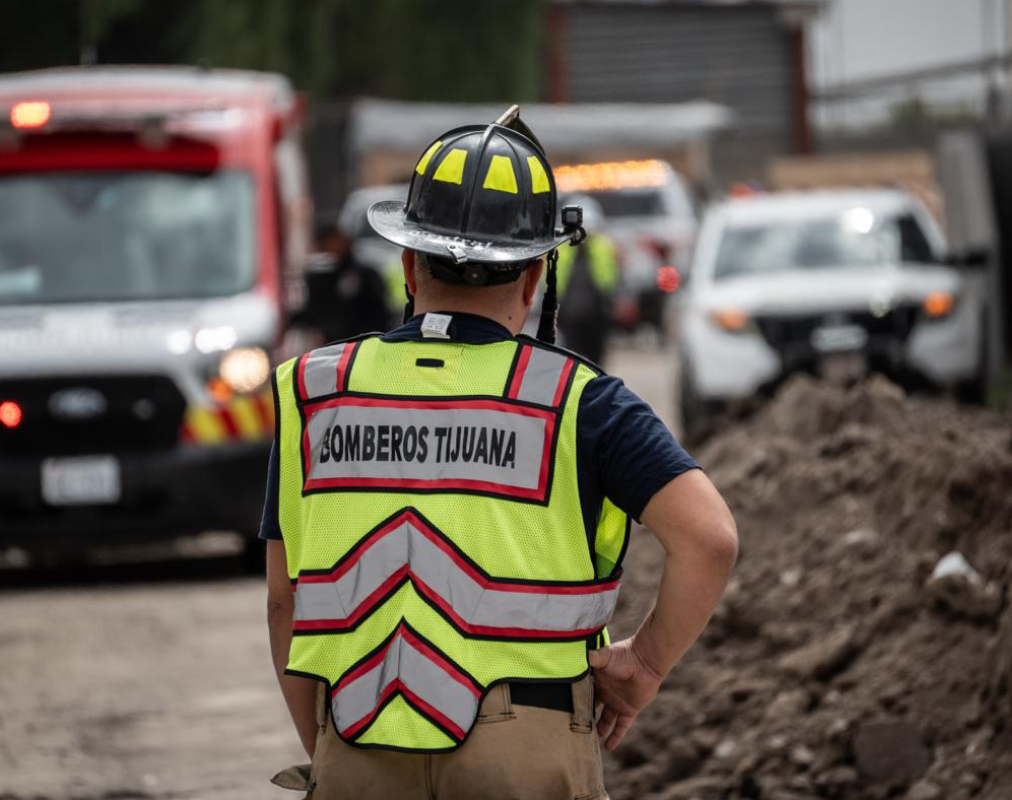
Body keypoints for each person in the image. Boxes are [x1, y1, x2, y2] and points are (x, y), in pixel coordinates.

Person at [261, 107, 737, 799]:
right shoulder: (586, 403)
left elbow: (285, 603)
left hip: (360, 734)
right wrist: (645, 667)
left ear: (406, 264)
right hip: (529, 752)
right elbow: (710, 539)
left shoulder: (314, 392)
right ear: (534, 277)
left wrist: (329, 748)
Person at [291, 222, 391, 343]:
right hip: (336, 345)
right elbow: (317, 311)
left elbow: (377, 311)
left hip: (365, 342)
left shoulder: (363, 273)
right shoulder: (322, 274)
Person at [555, 195, 619, 364]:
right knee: (573, 356)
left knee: (595, 358)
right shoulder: (562, 249)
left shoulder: (602, 246)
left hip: (596, 312)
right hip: (569, 313)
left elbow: (610, 278)